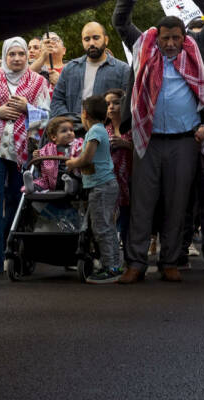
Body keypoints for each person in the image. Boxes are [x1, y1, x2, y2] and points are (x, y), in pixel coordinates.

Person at [112, 0, 204, 283]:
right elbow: (120, 22)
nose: (171, 43)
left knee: (177, 203)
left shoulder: (199, 46)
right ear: (157, 37)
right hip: (147, 140)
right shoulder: (143, 45)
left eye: (176, 38)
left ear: (185, 37)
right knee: (142, 203)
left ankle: (170, 261)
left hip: (185, 141)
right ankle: (135, 263)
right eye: (166, 38)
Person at [0, 37, 51, 275]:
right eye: (12, 54)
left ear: (27, 55)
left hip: (23, 152)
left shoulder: (38, 82)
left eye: (21, 54)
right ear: (5, 56)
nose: (17, 58)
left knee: (19, 202)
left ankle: (14, 251)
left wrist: (27, 108)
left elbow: (49, 116)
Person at [66, 95, 123, 284]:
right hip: (103, 185)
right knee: (106, 226)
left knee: (102, 228)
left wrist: (72, 162)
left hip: (101, 186)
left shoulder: (94, 132)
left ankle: (111, 268)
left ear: (84, 114)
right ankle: (115, 264)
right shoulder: (100, 130)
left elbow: (86, 159)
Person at [49, 22, 131, 118]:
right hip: (74, 130)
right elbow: (57, 101)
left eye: (96, 38)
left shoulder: (123, 70)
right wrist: (70, 122)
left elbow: (127, 104)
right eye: (87, 39)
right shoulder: (69, 69)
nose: (91, 43)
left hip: (107, 131)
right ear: (82, 42)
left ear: (106, 40)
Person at [103, 89, 133, 250]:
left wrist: (125, 144)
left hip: (131, 183)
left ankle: (130, 257)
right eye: (107, 104)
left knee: (128, 222)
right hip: (109, 184)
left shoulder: (131, 127)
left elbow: (145, 152)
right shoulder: (102, 130)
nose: (111, 107)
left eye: (116, 103)